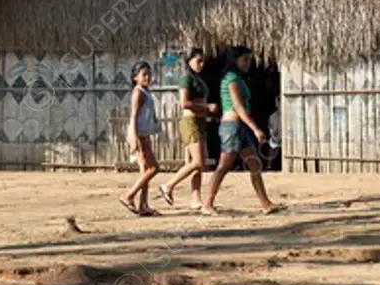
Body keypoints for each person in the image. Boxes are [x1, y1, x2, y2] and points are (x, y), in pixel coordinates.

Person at [202, 46, 283, 215]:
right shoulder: (231, 78)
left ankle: (266, 204)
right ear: (235, 60)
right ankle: (207, 203)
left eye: (249, 60)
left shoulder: (238, 78)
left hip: (240, 127)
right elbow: (238, 106)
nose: (248, 63)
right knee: (224, 166)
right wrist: (255, 129)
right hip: (232, 127)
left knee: (255, 165)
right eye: (245, 59)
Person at [159, 48, 218, 210]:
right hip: (190, 121)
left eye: (203, 60)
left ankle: (195, 198)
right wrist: (206, 106)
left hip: (200, 120)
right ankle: (168, 185)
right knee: (198, 161)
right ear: (189, 61)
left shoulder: (199, 79)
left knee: (199, 163)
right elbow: (184, 103)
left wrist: (208, 113)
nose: (201, 64)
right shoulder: (186, 79)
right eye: (198, 60)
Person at [119, 61, 161, 216]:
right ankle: (129, 195)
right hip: (139, 135)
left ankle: (143, 205)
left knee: (145, 171)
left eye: (149, 74)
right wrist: (134, 137)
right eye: (144, 74)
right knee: (153, 168)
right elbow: (133, 117)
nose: (148, 77)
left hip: (145, 134)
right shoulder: (138, 93)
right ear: (135, 77)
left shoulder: (146, 91)